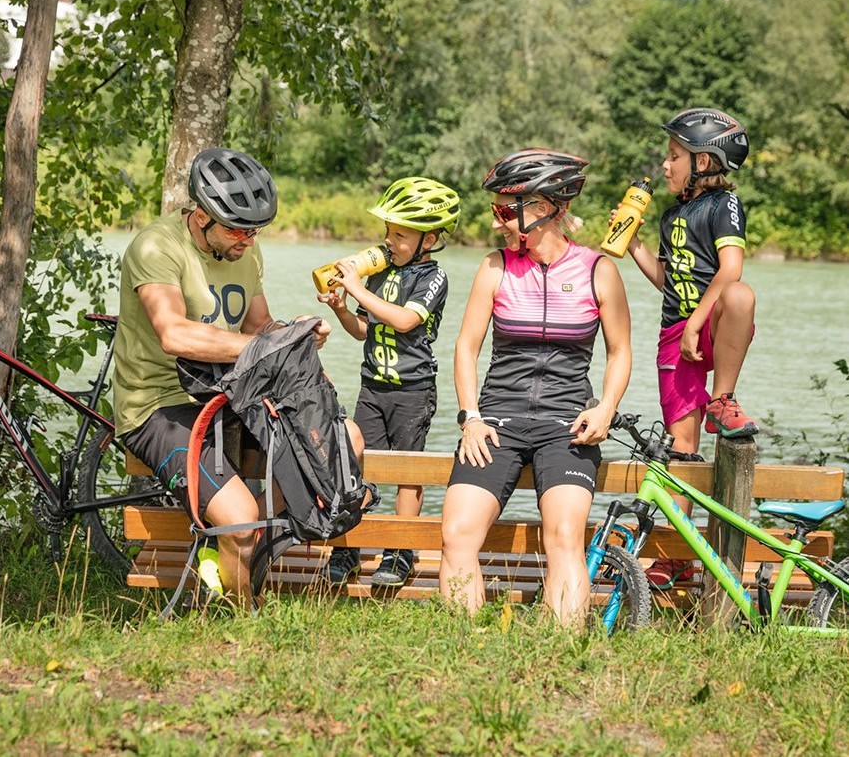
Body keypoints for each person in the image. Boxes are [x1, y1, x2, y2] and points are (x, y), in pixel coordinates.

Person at [113, 147, 362, 608]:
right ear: (201, 215)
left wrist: (293, 333)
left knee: (345, 437)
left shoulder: (245, 250)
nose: (247, 240)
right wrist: (264, 346)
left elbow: (256, 327)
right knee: (241, 520)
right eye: (236, 228)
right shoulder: (157, 247)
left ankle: (241, 554)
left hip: (228, 393)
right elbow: (173, 333)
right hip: (156, 404)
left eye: (255, 230)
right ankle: (244, 616)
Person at [438, 149, 631, 625]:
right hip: (496, 421)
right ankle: (464, 647)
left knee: (564, 535)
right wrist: (470, 416)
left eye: (506, 210)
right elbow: (466, 348)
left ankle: (560, 650)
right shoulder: (494, 267)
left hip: (567, 426)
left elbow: (620, 351)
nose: (497, 222)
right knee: (456, 533)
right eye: (496, 210)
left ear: (543, 209)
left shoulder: (597, 270)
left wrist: (605, 407)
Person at [622, 107, 757, 590]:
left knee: (742, 295)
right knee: (681, 449)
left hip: (714, 323)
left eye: (674, 155)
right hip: (674, 331)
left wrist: (698, 322)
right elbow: (669, 280)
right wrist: (634, 244)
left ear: (703, 161)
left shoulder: (724, 206)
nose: (665, 164)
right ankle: (678, 554)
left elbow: (730, 271)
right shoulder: (671, 214)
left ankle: (722, 399)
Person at [318, 177, 461, 588]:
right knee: (356, 464)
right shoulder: (382, 275)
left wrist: (359, 289)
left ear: (429, 240)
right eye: (387, 232)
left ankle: (400, 551)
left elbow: (404, 320)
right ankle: (349, 546)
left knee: (407, 469)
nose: (388, 241)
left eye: (400, 234)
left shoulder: (432, 277)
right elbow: (365, 330)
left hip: (412, 391)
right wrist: (344, 307)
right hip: (372, 386)